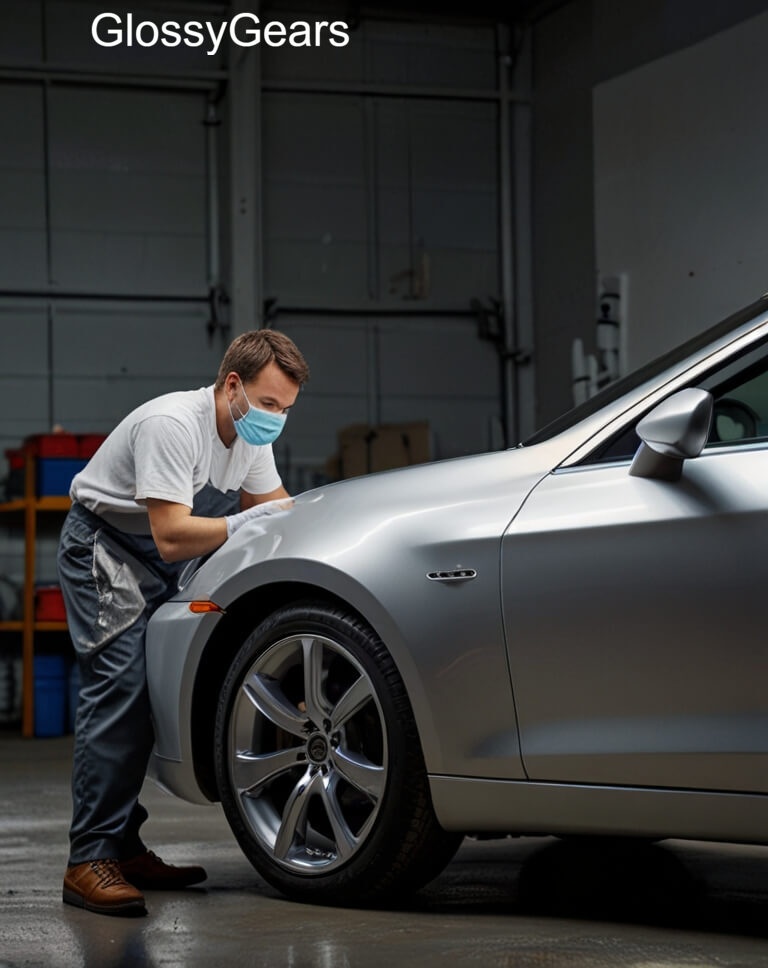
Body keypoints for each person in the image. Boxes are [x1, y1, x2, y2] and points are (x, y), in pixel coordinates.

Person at [57, 329, 310, 916]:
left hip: (158, 555)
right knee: (118, 689)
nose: (276, 419)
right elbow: (173, 536)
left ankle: (122, 847)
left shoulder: (251, 438)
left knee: (156, 690)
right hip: (108, 548)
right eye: (269, 404)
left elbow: (276, 512)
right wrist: (247, 526)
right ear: (232, 386)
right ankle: (87, 859)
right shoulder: (173, 426)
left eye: (286, 410)